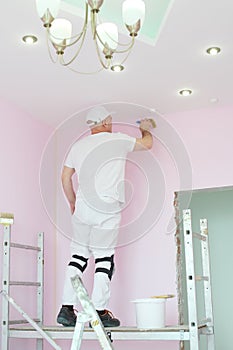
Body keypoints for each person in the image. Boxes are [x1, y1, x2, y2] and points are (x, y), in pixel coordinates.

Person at [57, 105, 154, 327]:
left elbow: (65, 178)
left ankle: (66, 308)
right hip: (107, 206)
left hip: (83, 207)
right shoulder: (116, 140)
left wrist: (72, 201)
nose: (110, 123)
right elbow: (147, 144)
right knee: (103, 258)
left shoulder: (77, 146)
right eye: (109, 120)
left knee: (78, 256)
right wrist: (146, 128)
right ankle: (99, 311)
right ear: (104, 123)